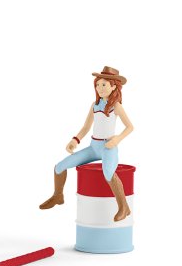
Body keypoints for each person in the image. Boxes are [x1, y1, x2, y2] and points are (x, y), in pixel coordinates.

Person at [39, 66, 134, 221]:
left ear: (113, 86)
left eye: (104, 84)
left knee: (108, 173)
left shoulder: (116, 106)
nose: (100, 88)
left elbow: (130, 127)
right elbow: (86, 127)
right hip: (93, 147)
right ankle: (58, 196)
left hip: (108, 147)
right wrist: (75, 140)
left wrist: (117, 139)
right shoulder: (95, 105)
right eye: (98, 84)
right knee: (59, 167)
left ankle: (124, 207)